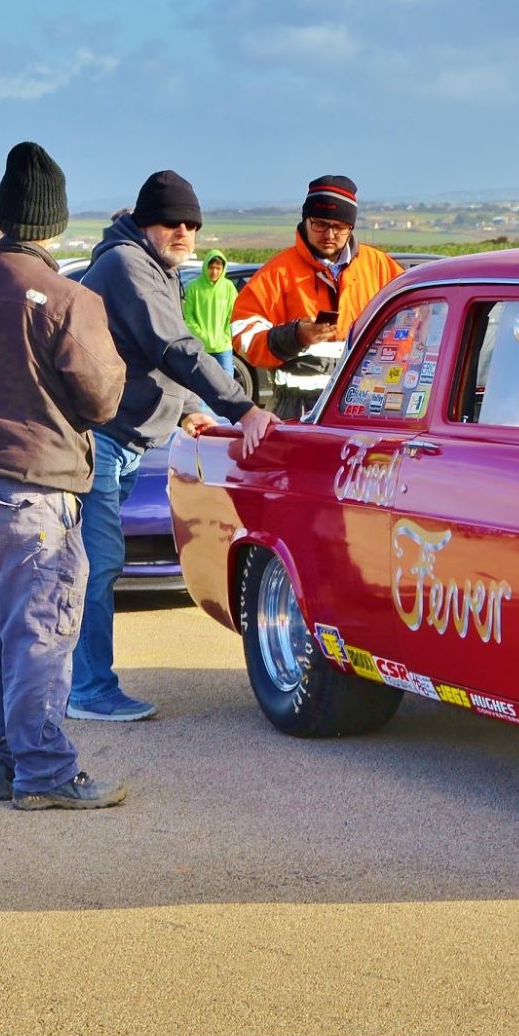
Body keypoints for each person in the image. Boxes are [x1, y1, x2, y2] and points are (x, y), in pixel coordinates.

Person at [0, 141, 129, 809]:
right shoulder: (67, 298)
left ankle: (0, 763)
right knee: (41, 626)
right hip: (36, 488)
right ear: (56, 223)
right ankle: (45, 771)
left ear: (2, 218)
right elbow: (102, 397)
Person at [75, 171, 278, 722]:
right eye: (171, 222)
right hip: (100, 440)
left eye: (192, 223)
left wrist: (187, 407)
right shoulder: (127, 265)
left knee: (90, 562)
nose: (184, 232)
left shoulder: (155, 266)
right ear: (146, 223)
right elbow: (174, 347)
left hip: (125, 441)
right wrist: (242, 408)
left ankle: (69, 680)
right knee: (96, 563)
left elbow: (147, 354)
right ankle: (86, 690)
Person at [230, 176, 404, 419]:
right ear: (306, 220)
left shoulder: (379, 267)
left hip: (367, 407)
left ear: (351, 227)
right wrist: (294, 336)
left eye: (339, 226)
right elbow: (242, 334)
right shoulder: (277, 272)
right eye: (320, 224)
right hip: (296, 410)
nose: (329, 234)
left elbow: (414, 320)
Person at [183, 248, 238, 376]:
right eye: (211, 267)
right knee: (202, 382)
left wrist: (226, 335)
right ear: (205, 267)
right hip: (201, 346)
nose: (214, 272)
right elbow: (188, 315)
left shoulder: (228, 287)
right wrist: (200, 334)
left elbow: (234, 314)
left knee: (227, 382)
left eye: (218, 268)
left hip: (223, 346)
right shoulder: (194, 287)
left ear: (223, 269)